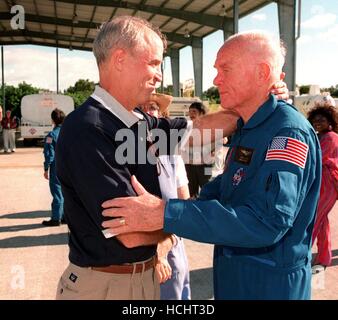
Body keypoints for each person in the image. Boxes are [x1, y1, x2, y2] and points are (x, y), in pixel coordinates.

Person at [100, 31, 322, 300]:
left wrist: (166, 213)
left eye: (225, 69)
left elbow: (266, 223)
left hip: (269, 285)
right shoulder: (250, 128)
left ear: (262, 72)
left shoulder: (286, 133)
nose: (216, 80)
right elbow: (230, 185)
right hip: (237, 276)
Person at [54, 16, 242, 300]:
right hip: (104, 286)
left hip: (142, 278)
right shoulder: (88, 129)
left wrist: (251, 106)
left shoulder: (138, 120)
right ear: (119, 59)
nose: (160, 75)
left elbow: (199, 131)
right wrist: (173, 223)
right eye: (154, 63)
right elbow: (130, 234)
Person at [140, 100, 191, 300]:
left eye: (152, 107)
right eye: (140, 108)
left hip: (171, 245)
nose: (147, 112)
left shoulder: (172, 155)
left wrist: (164, 247)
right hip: (139, 251)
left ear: (161, 114)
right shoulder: (124, 155)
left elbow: (184, 205)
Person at [307, 97, 338, 274]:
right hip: (322, 183)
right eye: (315, 120)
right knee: (322, 221)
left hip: (328, 185)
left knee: (313, 219)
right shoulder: (320, 136)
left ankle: (300, 257)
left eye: (322, 119)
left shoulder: (331, 137)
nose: (318, 122)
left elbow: (315, 160)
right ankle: (324, 257)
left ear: (330, 121)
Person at [181, 102, 214, 198]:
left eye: (194, 111)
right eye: (190, 111)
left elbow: (222, 139)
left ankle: (208, 208)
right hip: (189, 165)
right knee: (191, 191)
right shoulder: (187, 127)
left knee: (208, 188)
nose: (191, 114)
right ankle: (192, 210)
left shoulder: (210, 127)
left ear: (202, 113)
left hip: (206, 166)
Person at [42, 108, 66, 227]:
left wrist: (46, 168)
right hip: (69, 167)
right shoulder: (69, 132)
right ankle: (64, 216)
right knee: (66, 191)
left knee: (57, 193)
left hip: (57, 167)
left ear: (53, 120)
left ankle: (56, 218)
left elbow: (49, 155)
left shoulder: (51, 135)